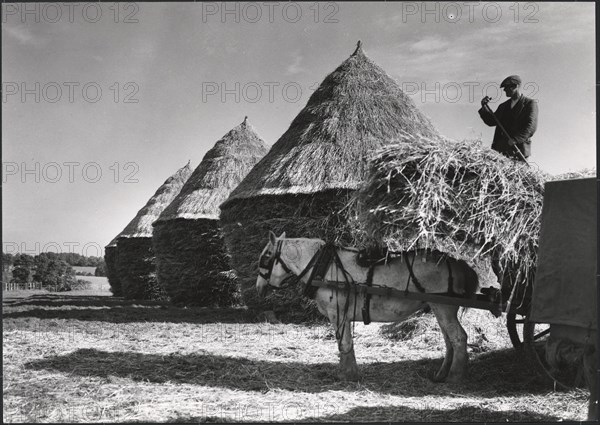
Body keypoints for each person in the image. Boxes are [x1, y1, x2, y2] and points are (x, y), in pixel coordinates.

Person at [479, 75, 538, 161]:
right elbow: (491, 121)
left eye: (507, 87)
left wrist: (516, 139)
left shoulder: (530, 104)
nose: (504, 90)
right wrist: (484, 107)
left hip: (519, 150)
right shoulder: (503, 106)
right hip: (501, 152)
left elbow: (531, 126)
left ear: (515, 86)